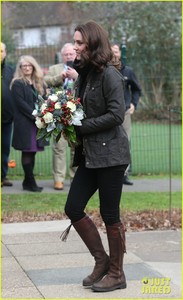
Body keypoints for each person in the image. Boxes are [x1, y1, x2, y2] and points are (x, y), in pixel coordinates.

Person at [61, 21, 131, 293]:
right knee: (73, 206)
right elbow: (81, 110)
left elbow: (117, 114)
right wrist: (64, 120)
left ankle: (117, 273)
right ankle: (101, 261)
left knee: (110, 214)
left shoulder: (110, 75)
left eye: (79, 43)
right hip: (91, 154)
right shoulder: (86, 74)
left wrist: (81, 127)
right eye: (75, 43)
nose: (75, 48)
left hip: (112, 155)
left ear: (92, 43)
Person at [10, 55, 47, 192]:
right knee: (27, 151)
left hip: (37, 123)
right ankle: (31, 183)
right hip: (26, 123)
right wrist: (36, 115)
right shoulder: (17, 83)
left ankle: (27, 182)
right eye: (23, 66)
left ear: (33, 66)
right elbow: (21, 104)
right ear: (20, 68)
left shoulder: (38, 82)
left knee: (33, 152)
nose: (26, 68)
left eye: (29, 65)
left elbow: (43, 99)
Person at [44, 43, 78, 190]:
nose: (69, 56)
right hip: (58, 112)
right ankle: (59, 179)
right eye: (66, 54)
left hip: (77, 112)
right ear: (62, 56)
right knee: (59, 147)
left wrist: (75, 76)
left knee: (76, 147)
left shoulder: (82, 68)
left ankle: (75, 178)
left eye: (71, 54)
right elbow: (45, 81)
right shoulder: (54, 69)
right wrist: (61, 77)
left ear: (75, 55)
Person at [111, 43, 142, 185]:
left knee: (124, 143)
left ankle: (123, 175)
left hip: (124, 114)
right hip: (108, 114)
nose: (114, 54)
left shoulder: (128, 71)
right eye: (111, 52)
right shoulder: (105, 70)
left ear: (119, 54)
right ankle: (109, 174)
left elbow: (136, 89)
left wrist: (134, 104)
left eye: (116, 51)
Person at [1, 42, 14, 187]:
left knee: (4, 148)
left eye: (1, 51)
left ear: (5, 53)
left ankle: (3, 176)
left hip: (7, 118)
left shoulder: (11, 71)